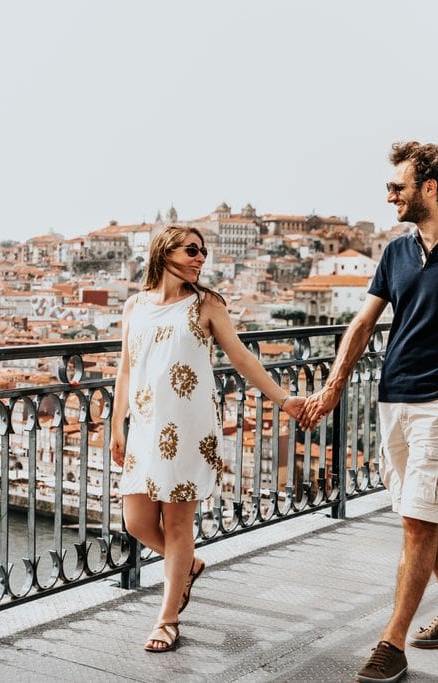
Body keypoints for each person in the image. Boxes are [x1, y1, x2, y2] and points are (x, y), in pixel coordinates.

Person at [300, 141, 438, 683]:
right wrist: (333, 387)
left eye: (396, 186)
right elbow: (362, 323)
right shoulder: (396, 251)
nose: (389, 196)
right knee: (418, 512)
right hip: (392, 400)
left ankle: (392, 644)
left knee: (418, 523)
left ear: (429, 187)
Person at [110, 224, 306, 652]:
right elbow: (126, 367)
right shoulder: (134, 306)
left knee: (178, 524)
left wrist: (283, 399)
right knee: (136, 522)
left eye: (203, 252)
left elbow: (242, 358)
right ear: (164, 252)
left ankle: (167, 620)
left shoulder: (207, 304)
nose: (200, 258)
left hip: (189, 428)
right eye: (192, 250)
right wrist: (116, 424)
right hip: (144, 428)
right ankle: (188, 565)